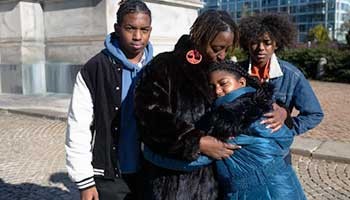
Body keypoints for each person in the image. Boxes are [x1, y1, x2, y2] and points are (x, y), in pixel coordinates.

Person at [134, 10, 240, 199]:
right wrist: (196, 142)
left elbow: (247, 99)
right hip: (171, 183)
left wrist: (281, 113)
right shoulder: (164, 66)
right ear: (199, 38)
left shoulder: (224, 71)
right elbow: (150, 118)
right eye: (217, 48)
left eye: (227, 49)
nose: (222, 55)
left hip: (213, 183)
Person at [65, 1, 153, 199]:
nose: (138, 36)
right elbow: (78, 127)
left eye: (144, 29)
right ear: (117, 28)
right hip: (110, 177)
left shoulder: (158, 68)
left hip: (149, 172)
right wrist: (84, 182)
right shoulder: (94, 69)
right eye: (130, 28)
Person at [204, 60, 306, 199]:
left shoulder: (240, 116)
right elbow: (285, 138)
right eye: (212, 86)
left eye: (223, 83)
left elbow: (203, 157)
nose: (217, 91)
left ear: (241, 83)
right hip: (283, 185)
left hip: (262, 192)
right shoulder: (262, 105)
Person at [238, 13, 324, 141]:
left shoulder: (292, 75)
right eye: (255, 42)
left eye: (267, 43)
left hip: (276, 152)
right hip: (241, 148)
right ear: (247, 44)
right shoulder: (236, 72)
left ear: (276, 44)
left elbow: (314, 114)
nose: (260, 48)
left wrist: (286, 127)